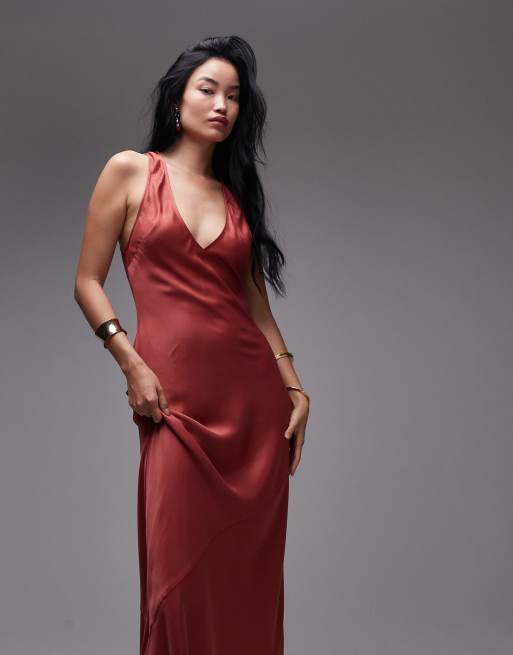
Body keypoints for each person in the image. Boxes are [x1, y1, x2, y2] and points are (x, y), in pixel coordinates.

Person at [73, 35, 310, 655]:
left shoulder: (236, 200)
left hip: (253, 413)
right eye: (208, 89)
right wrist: (131, 363)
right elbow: (87, 282)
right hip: (174, 404)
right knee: (174, 587)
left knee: (248, 586)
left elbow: (255, 307)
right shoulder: (131, 171)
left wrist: (295, 388)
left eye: (234, 96)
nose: (222, 104)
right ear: (177, 98)